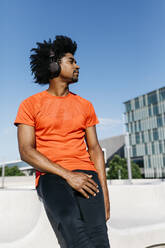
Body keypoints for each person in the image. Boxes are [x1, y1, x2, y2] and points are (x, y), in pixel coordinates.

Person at [14, 35, 110, 248]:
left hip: (87, 175)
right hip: (52, 176)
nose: (77, 65)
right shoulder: (30, 105)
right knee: (70, 224)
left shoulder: (85, 105)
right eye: (71, 61)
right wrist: (68, 175)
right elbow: (26, 151)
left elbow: (95, 149)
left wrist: (105, 194)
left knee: (99, 237)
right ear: (53, 65)